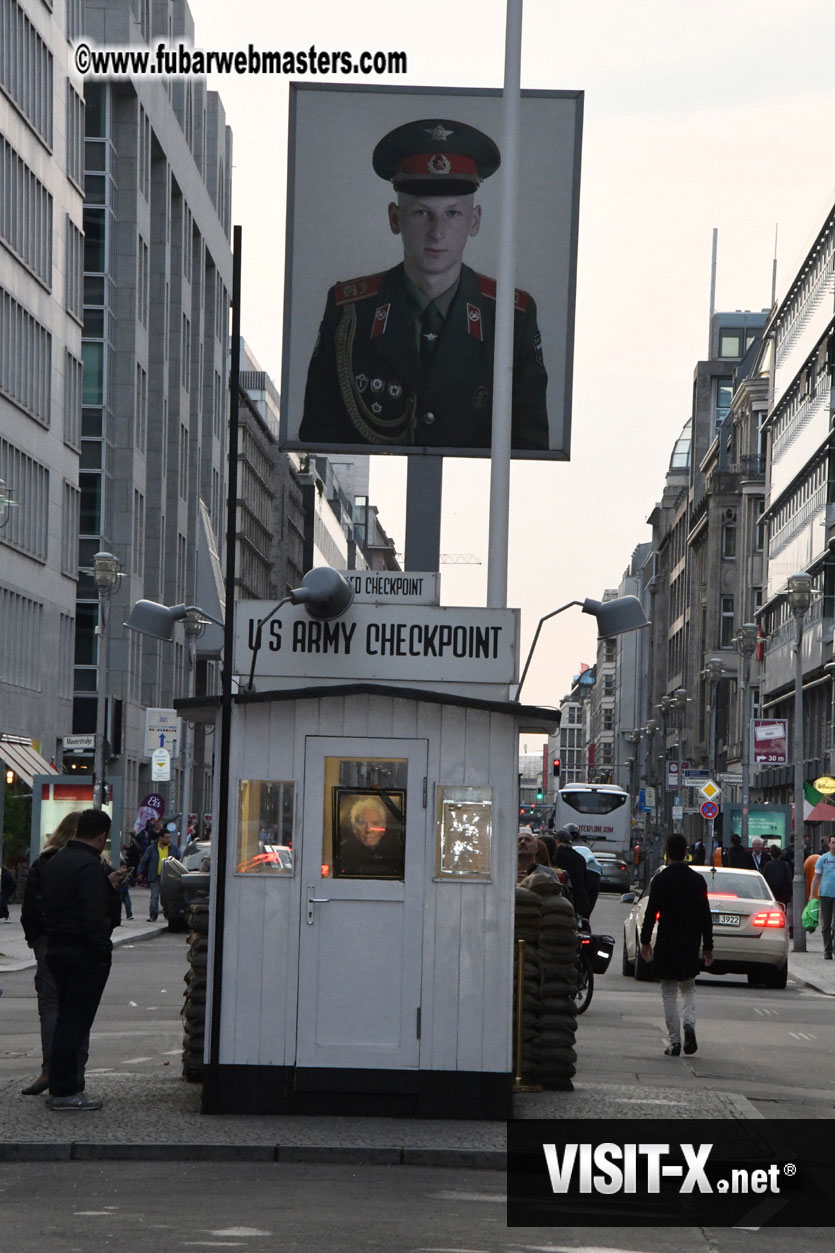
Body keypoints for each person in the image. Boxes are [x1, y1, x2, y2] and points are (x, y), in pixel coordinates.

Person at [299, 117, 548, 451]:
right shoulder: (350, 315)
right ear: (394, 218)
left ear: (474, 221)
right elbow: (319, 441)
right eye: (421, 213)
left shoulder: (511, 319)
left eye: (452, 214)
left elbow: (530, 449)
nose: (437, 232)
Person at [40, 808, 123, 1110]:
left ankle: (61, 1086)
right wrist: (103, 949)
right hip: (83, 953)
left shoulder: (56, 860)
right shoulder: (89, 867)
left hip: (57, 948)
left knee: (64, 1020)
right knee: (75, 1025)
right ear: (101, 836)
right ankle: (65, 1091)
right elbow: (93, 917)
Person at [20, 813, 86, 1095]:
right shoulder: (88, 863)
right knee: (78, 1007)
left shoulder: (43, 862)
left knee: (50, 1006)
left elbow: (29, 906)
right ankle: (74, 1074)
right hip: (78, 942)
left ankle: (49, 1070)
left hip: (46, 941)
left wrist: (34, 938)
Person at [640, 833, 714, 1057]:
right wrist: (708, 945)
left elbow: (651, 913)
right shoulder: (697, 880)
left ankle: (674, 1042)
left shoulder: (661, 879)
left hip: (667, 941)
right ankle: (689, 1025)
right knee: (688, 987)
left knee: (669, 992)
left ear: (666, 852)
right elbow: (705, 915)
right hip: (690, 942)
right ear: (686, 852)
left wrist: (645, 941)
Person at [335, 794, 405, 879]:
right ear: (353, 827)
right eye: (361, 823)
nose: (368, 830)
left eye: (375, 823)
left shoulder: (396, 853)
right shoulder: (342, 853)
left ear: (384, 826)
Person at [137, 823, 181, 921]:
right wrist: (140, 873)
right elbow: (144, 861)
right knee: (155, 897)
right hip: (155, 876)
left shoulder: (173, 849)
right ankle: (153, 915)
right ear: (160, 838)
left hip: (169, 877)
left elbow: (179, 861)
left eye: (169, 837)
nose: (168, 839)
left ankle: (168, 914)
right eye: (166, 837)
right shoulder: (152, 849)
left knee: (168, 898)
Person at [551, 829, 592, 919]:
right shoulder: (580, 858)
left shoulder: (554, 856)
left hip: (559, 899)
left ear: (557, 841)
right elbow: (586, 881)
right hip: (579, 901)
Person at [564, 823, 603, 912]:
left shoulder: (566, 847)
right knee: (588, 905)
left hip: (581, 871)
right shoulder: (586, 845)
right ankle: (585, 919)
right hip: (596, 871)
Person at [811, 833, 835, 959]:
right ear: (829, 844)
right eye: (833, 842)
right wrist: (811, 894)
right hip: (825, 894)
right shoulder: (823, 859)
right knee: (825, 925)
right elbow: (816, 877)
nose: (834, 845)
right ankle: (827, 950)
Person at [763, 843, 792, 929]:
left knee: (771, 910)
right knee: (783, 910)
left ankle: (771, 925)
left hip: (771, 892)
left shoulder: (768, 865)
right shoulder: (785, 865)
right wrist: (789, 893)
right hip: (783, 893)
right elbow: (788, 879)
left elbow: (765, 879)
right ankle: (782, 924)